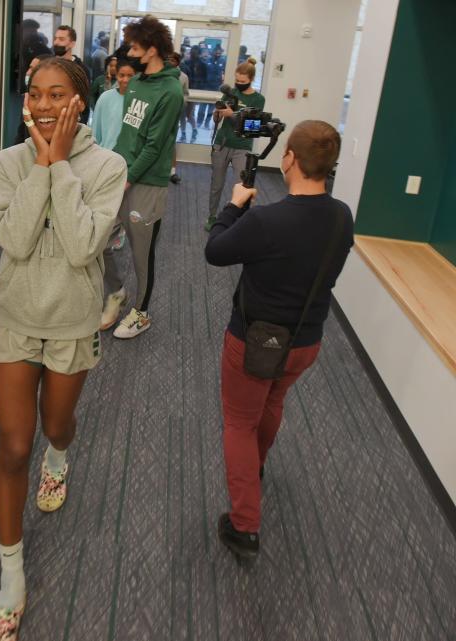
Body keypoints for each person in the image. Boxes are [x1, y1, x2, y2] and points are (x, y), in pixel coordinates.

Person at [0, 56, 126, 641]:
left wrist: (60, 165)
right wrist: (40, 165)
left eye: (57, 94)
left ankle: (60, 456)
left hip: (70, 322)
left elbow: (84, 245)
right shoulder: (6, 162)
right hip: (14, 319)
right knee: (14, 445)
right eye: (35, 93)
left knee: (56, 425)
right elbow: (12, 241)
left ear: (80, 102)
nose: (43, 104)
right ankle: (11, 577)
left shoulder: (109, 167)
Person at [204, 120, 354, 560]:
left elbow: (215, 251)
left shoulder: (267, 221)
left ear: (289, 158)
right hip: (306, 344)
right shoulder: (343, 215)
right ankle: (257, 465)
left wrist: (233, 208)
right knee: (271, 402)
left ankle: (244, 525)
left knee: (238, 422)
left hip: (254, 344)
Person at [101, 15, 183, 337]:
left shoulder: (171, 92)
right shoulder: (134, 82)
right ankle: (116, 291)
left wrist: (128, 178)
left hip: (146, 184)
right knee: (98, 241)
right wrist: (113, 170)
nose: (130, 51)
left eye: (136, 46)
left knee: (141, 254)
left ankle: (142, 312)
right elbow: (127, 135)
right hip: (121, 174)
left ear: (151, 50)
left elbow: (153, 146)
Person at [205, 58, 265, 231]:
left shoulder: (258, 99)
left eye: (243, 82)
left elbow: (253, 126)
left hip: (243, 147)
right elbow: (218, 115)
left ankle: (238, 220)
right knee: (216, 184)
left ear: (251, 79)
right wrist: (217, 115)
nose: (239, 84)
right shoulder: (230, 93)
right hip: (222, 143)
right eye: (237, 81)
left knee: (242, 185)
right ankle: (212, 216)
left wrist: (233, 115)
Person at [91, 57, 136, 150]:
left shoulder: (139, 100)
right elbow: (96, 130)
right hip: (106, 154)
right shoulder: (105, 98)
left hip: (130, 157)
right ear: (116, 76)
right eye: (122, 75)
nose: (125, 80)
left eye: (130, 75)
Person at [52, 25, 92, 123]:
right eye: (55, 38)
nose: (56, 42)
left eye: (61, 39)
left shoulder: (81, 70)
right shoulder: (46, 67)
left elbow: (84, 103)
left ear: (72, 44)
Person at [169, 51, 190, 183]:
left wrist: (180, 102)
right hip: (160, 114)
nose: (169, 62)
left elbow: (186, 94)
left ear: (177, 62)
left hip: (174, 113)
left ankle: (172, 172)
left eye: (172, 59)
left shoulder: (183, 77)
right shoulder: (160, 75)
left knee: (171, 143)